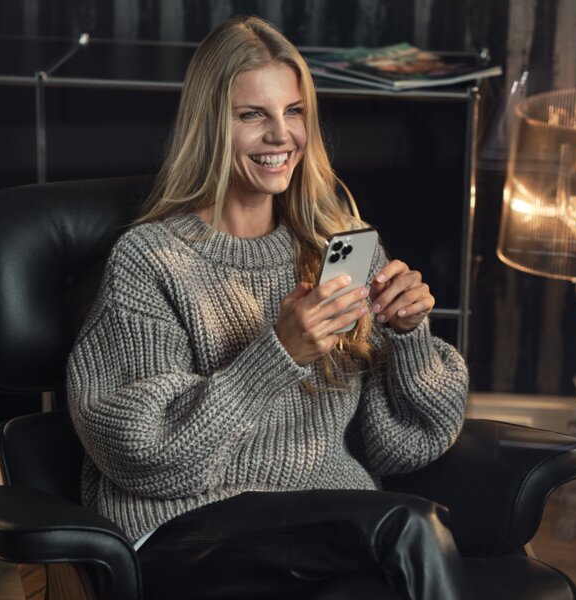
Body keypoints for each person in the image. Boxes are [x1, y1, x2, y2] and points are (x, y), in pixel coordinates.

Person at [67, 15, 473, 600]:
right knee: (411, 528)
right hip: (188, 531)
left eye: (294, 111)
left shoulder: (341, 245)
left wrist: (408, 337)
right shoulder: (151, 261)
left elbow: (406, 444)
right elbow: (142, 454)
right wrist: (279, 353)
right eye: (252, 115)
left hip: (327, 525)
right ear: (211, 126)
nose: (281, 136)